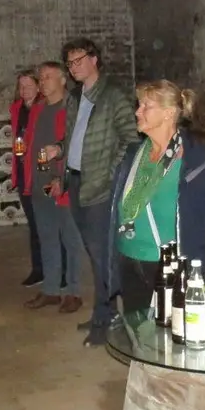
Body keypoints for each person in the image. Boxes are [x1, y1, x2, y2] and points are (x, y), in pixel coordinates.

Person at [108, 80, 205, 315]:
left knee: (170, 337)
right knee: (138, 332)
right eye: (139, 105)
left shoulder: (199, 167)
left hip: (168, 267)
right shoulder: (133, 155)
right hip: (128, 259)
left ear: (168, 114)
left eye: (146, 106)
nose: (137, 111)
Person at [55, 38, 137, 346]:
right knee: (94, 253)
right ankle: (103, 310)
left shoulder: (114, 97)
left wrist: (111, 174)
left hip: (101, 187)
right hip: (77, 181)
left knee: (104, 255)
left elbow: (131, 141)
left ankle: (107, 321)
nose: (73, 68)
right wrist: (60, 152)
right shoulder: (76, 98)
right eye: (69, 64)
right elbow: (75, 138)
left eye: (78, 61)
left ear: (94, 60)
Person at [21, 62, 84, 313]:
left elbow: (76, 146)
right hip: (39, 183)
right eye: (41, 77)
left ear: (62, 80)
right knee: (47, 238)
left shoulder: (72, 109)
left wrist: (62, 179)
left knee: (71, 239)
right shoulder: (38, 109)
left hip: (61, 185)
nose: (43, 82)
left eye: (48, 77)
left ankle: (73, 292)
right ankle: (51, 290)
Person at [8, 70, 47, 288]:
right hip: (23, 172)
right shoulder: (16, 109)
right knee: (33, 224)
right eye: (21, 86)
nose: (24, 91)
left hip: (40, 172)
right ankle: (38, 269)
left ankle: (57, 270)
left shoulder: (45, 109)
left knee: (50, 224)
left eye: (29, 86)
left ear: (38, 87)